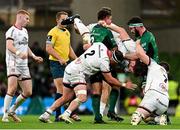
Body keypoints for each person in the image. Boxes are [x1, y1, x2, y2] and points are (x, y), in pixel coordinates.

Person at [39, 42, 136, 124]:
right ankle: (66, 114)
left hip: (70, 67)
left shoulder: (100, 44)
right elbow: (110, 79)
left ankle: (46, 114)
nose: (113, 65)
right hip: (78, 72)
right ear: (112, 59)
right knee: (82, 97)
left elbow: (86, 46)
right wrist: (124, 84)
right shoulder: (104, 62)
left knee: (66, 97)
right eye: (114, 63)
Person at [2, 9, 43, 122]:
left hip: (23, 65)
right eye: (27, 18)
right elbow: (9, 46)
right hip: (13, 62)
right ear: (20, 17)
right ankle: (5, 115)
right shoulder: (11, 31)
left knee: (28, 91)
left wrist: (34, 56)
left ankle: (12, 110)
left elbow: (26, 46)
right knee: (12, 88)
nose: (28, 21)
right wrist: (19, 54)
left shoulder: (25, 31)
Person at [45, 11, 78, 122]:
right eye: (63, 18)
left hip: (67, 64)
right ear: (57, 20)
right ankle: (57, 116)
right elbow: (48, 49)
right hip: (56, 63)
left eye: (67, 18)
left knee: (70, 89)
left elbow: (69, 49)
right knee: (61, 89)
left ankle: (69, 113)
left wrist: (77, 59)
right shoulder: (52, 32)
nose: (65, 20)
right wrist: (59, 58)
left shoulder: (67, 32)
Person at [130, 41, 169, 125]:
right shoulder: (165, 74)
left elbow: (141, 55)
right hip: (165, 102)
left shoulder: (154, 65)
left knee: (136, 117)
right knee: (146, 118)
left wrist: (137, 44)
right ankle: (159, 119)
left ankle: (140, 117)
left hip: (154, 96)